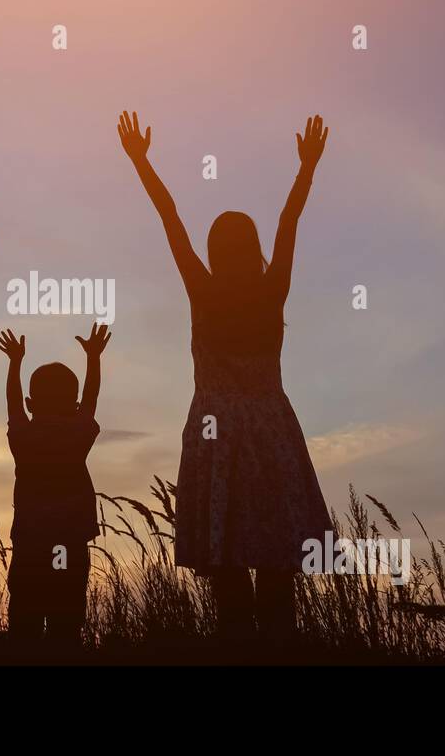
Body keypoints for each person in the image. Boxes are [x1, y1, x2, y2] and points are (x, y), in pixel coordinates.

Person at [116, 109, 332, 643]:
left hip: (217, 433)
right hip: (271, 429)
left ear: (214, 251)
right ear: (251, 249)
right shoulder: (269, 290)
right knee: (279, 563)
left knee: (228, 562)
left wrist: (142, 163)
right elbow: (288, 225)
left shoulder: (204, 292)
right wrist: (305, 169)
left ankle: (238, 648)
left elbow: (171, 222)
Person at [0, 324, 110, 645]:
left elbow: (12, 401)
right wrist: (94, 358)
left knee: (25, 624)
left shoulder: (23, 436)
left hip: (30, 544)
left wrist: (15, 362)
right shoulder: (78, 435)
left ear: (32, 403)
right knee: (67, 622)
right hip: (69, 544)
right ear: (73, 405)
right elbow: (91, 398)